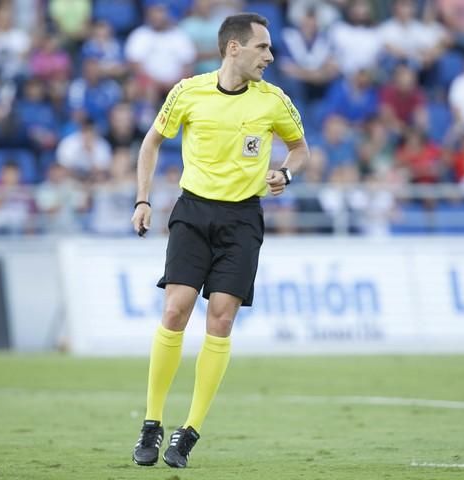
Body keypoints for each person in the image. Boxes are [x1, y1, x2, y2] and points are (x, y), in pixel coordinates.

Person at [129, 12, 309, 469]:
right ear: (234, 48)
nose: (269, 56)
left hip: (243, 219)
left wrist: (286, 171)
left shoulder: (274, 101)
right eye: (262, 47)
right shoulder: (188, 91)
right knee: (175, 309)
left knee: (222, 320)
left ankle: (187, 433)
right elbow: (150, 143)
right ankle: (151, 422)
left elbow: (301, 148)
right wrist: (143, 199)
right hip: (193, 211)